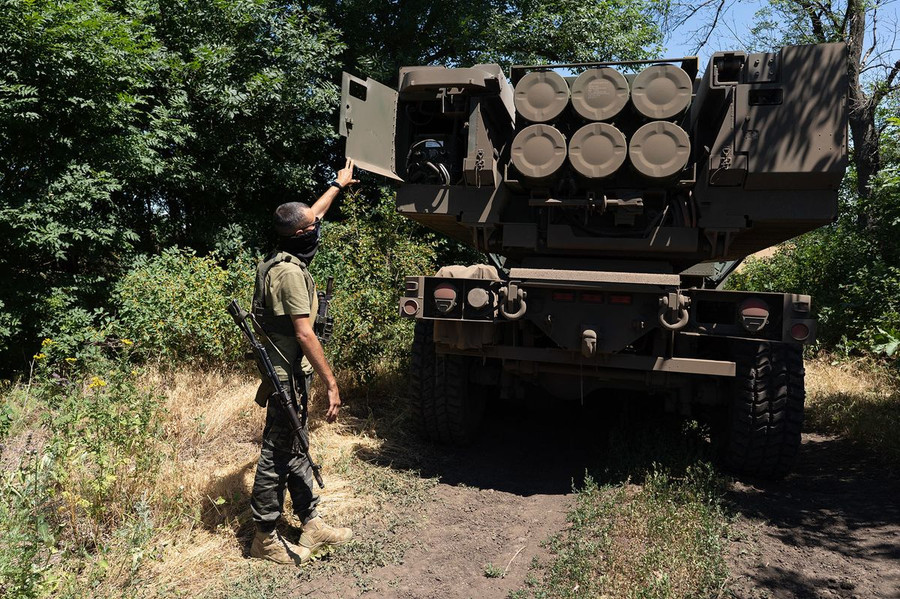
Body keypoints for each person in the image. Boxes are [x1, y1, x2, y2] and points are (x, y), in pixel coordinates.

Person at [248, 159, 359, 566]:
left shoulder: (285, 254)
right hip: (285, 375)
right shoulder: (290, 275)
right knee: (277, 453)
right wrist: (332, 382)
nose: (318, 229)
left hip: (291, 372)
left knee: (296, 443)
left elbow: (314, 215)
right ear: (299, 235)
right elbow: (304, 333)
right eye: (312, 228)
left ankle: (310, 521)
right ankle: (263, 537)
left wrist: (337, 184)